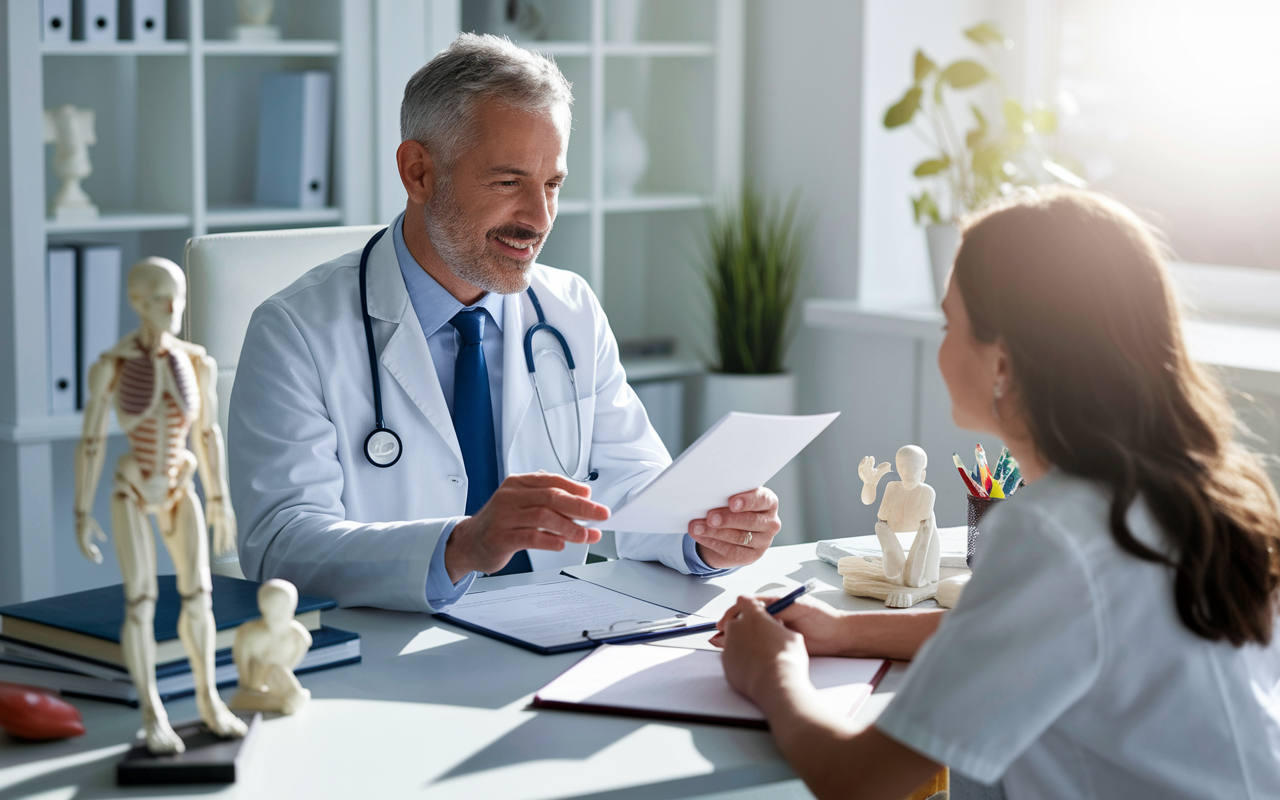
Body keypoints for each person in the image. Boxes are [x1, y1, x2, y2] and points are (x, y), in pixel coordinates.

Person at [713, 188, 1280, 799]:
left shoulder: (1054, 532)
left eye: (948, 323)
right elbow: (1032, 634)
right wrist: (843, 633)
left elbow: (859, 781)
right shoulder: (1209, 494)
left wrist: (771, 672)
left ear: (1003, 362)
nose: (941, 345)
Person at [228, 34, 781, 613]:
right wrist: (460, 547)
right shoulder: (294, 332)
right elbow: (280, 546)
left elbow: (634, 485)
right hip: (388, 656)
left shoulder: (569, 309)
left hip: (549, 636)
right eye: (508, 182)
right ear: (418, 173)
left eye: (553, 185)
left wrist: (705, 530)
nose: (539, 219)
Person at [75, 257, 246, 753]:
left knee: (199, 595)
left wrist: (220, 500)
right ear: (136, 303)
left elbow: (207, 433)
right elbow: (90, 442)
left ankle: (209, 701)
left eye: (178, 297)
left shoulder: (197, 360)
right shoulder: (112, 365)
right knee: (142, 599)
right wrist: (81, 513)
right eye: (158, 299)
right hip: (132, 488)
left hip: (178, 484)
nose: (172, 308)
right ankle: (153, 712)